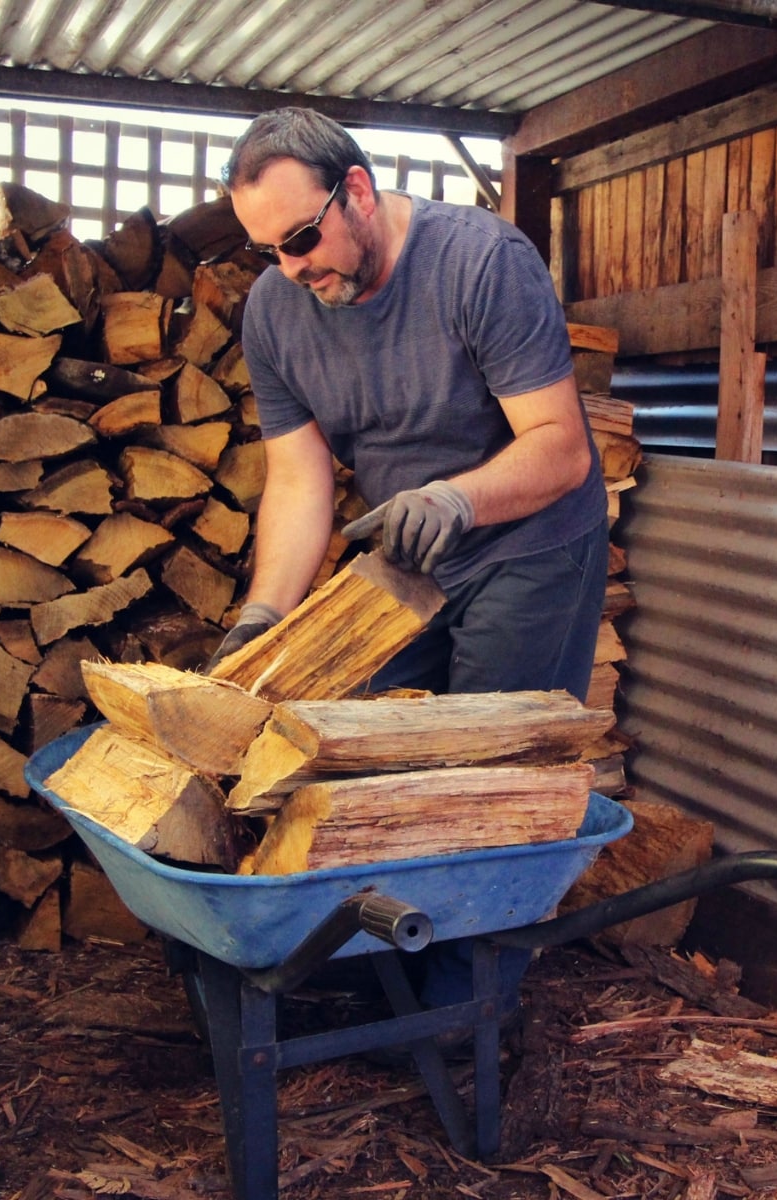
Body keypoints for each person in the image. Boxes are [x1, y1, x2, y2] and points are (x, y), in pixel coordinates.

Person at [214, 108, 608, 1008]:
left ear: (357, 190)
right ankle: (387, 972)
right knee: (366, 748)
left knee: (489, 775)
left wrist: (459, 499)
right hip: (408, 552)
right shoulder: (278, 309)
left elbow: (560, 447)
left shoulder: (481, 263)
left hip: (528, 541)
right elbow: (299, 479)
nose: (291, 268)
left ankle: (472, 1012)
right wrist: (263, 617)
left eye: (303, 238)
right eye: (267, 250)